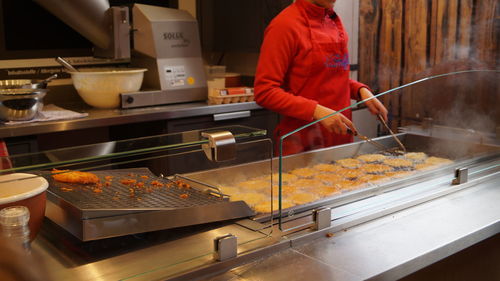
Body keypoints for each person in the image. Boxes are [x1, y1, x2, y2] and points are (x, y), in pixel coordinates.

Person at [254, 0, 388, 155]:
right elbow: (264, 91)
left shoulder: (332, 20)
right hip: (303, 145)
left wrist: (360, 91)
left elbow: (328, 77)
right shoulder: (284, 25)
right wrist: (316, 111)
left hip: (341, 141)